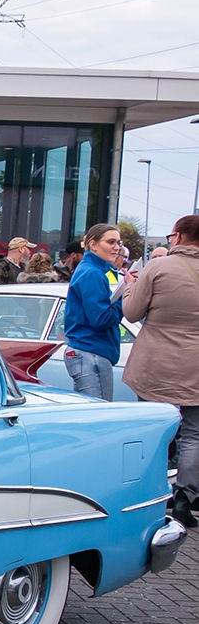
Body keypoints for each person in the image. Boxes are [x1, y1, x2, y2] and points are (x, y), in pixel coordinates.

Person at [121, 215, 199, 527]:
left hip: (157, 362)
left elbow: (132, 311)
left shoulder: (158, 267)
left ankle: (151, 492)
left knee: (155, 427)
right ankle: (186, 498)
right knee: (194, 433)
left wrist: (130, 288)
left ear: (178, 236)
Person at [62, 222, 125, 401]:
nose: (116, 248)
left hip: (89, 350)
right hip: (91, 351)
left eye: (118, 243)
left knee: (92, 413)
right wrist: (125, 298)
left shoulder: (93, 270)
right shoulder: (92, 273)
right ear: (93, 244)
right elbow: (101, 318)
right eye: (111, 242)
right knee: (97, 415)